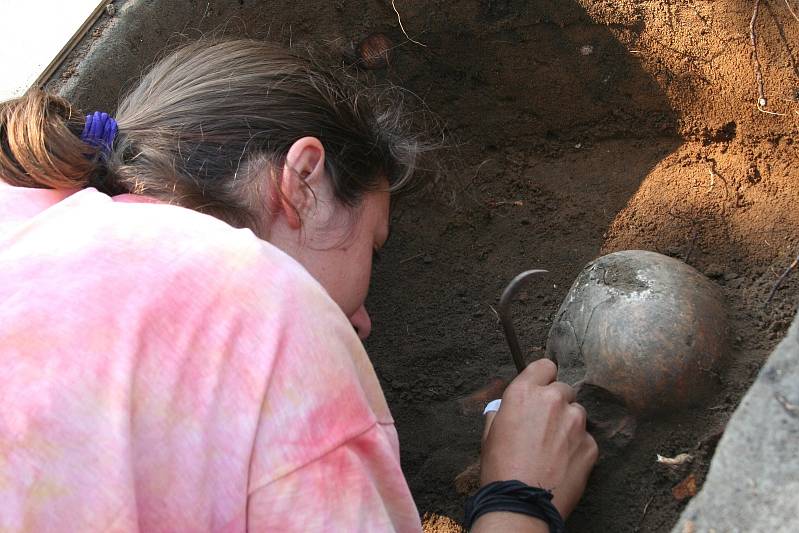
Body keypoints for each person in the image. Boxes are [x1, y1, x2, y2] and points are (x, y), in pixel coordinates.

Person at [0, 39, 597, 532]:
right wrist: (520, 501)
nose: (363, 322)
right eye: (374, 247)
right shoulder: (259, 310)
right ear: (305, 181)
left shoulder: (28, 210)